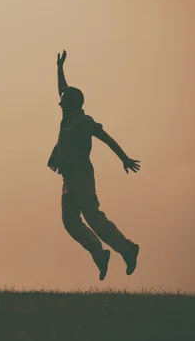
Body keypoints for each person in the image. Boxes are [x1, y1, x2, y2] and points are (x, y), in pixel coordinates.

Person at [48, 51, 140, 281]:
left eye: (63, 101)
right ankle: (99, 254)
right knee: (70, 221)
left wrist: (124, 158)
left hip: (81, 177)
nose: (59, 102)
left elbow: (106, 138)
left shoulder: (83, 122)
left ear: (71, 104)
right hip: (68, 178)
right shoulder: (67, 117)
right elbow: (62, 89)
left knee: (94, 219)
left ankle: (127, 249)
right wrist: (59, 68)